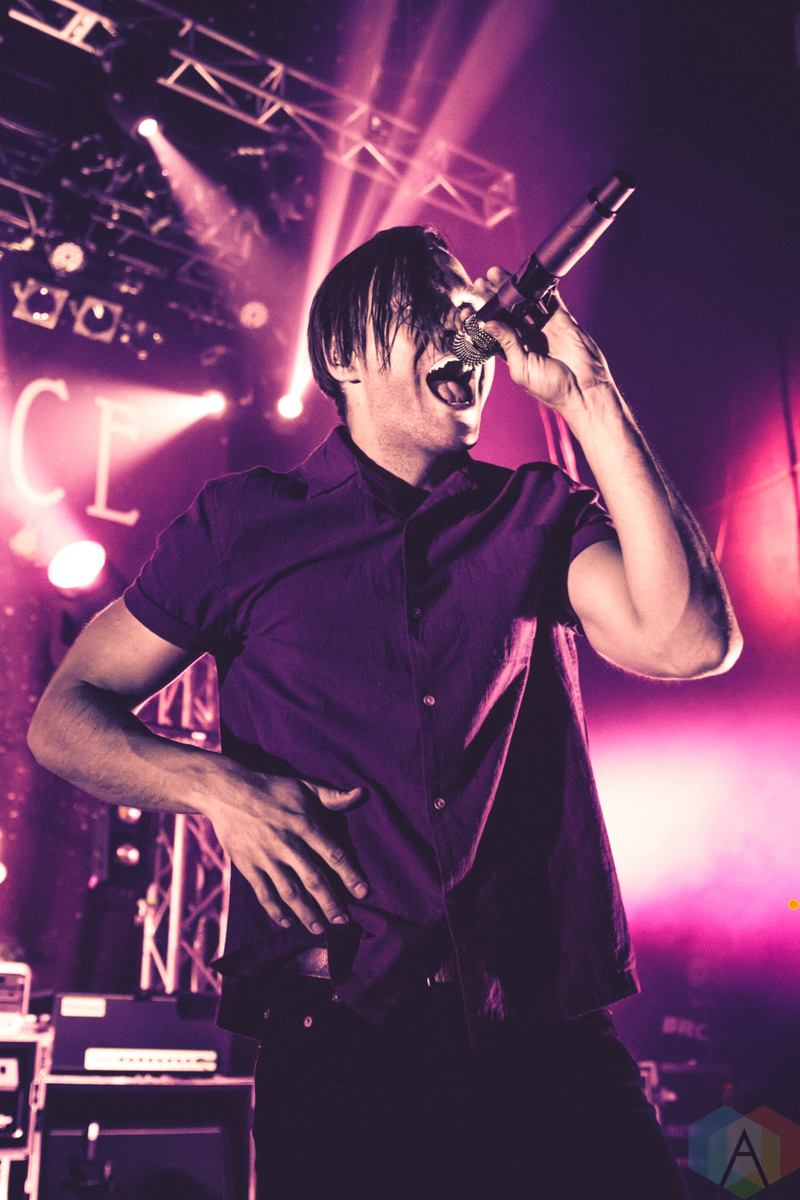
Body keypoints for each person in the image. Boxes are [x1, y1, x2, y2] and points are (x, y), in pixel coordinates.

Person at [28, 225, 741, 1199]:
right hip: (341, 1041)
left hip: (540, 1028)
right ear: (344, 357)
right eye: (428, 312)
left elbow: (686, 641)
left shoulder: (537, 511)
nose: (468, 337)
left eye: (469, 314)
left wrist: (590, 398)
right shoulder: (244, 522)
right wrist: (217, 788)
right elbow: (65, 715)